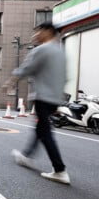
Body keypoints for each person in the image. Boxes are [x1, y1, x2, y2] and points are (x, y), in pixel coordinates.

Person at [9, 22, 70, 184]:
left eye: (38, 32)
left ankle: (60, 170)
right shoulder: (60, 52)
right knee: (40, 129)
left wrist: (12, 80)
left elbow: (27, 68)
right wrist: (57, 102)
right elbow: (63, 78)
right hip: (54, 98)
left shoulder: (42, 50)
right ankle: (26, 155)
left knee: (45, 133)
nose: (35, 35)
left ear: (47, 32)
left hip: (43, 97)